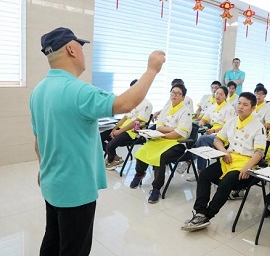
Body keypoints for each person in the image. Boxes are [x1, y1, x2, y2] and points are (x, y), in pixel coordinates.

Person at [30, 27, 165, 255]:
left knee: (52, 240)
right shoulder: (78, 91)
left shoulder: (38, 91)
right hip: (75, 190)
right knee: (74, 248)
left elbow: (38, 139)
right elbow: (124, 103)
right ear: (72, 49)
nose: (84, 53)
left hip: (51, 183)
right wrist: (152, 70)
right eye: (81, 47)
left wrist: (43, 168)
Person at [181, 92, 266, 231]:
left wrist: (247, 167)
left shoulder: (258, 126)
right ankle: (200, 212)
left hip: (247, 164)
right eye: (239, 103)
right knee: (204, 175)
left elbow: (259, 153)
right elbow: (217, 140)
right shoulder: (232, 121)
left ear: (252, 108)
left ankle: (207, 215)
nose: (241, 107)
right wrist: (224, 151)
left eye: (245, 105)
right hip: (229, 159)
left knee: (226, 182)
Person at [129, 84, 192, 203]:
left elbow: (181, 132)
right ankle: (139, 174)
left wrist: (167, 132)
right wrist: (171, 129)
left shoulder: (186, 112)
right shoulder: (167, 108)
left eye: (178, 93)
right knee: (142, 150)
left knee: (160, 157)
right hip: (161, 139)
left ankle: (156, 188)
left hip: (177, 143)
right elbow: (159, 126)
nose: (174, 95)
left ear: (183, 97)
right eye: (173, 92)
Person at [183, 86, 235, 181]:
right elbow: (205, 118)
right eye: (217, 93)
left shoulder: (229, 109)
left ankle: (190, 160)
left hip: (223, 136)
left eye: (221, 94)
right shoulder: (213, 106)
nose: (218, 96)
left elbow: (228, 128)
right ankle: (198, 170)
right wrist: (202, 123)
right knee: (195, 129)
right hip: (211, 132)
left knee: (203, 140)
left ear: (225, 96)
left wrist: (214, 131)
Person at [100, 79, 153, 170]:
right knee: (99, 138)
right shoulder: (133, 102)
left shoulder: (147, 104)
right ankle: (115, 158)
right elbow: (125, 117)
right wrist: (115, 128)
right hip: (122, 128)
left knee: (110, 145)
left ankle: (111, 159)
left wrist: (119, 131)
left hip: (134, 131)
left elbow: (137, 122)